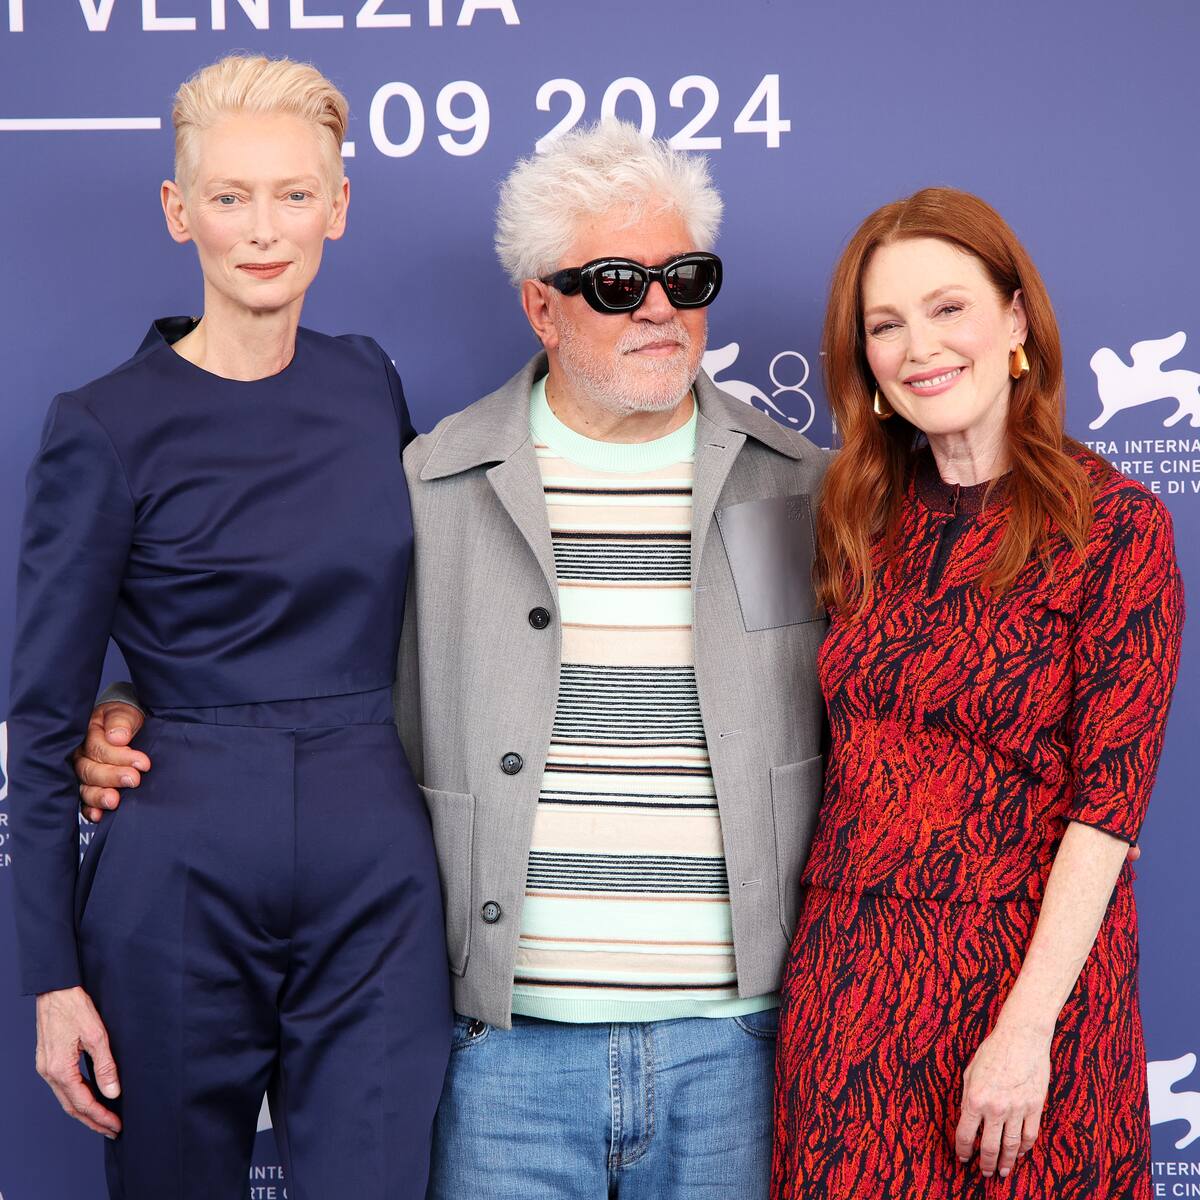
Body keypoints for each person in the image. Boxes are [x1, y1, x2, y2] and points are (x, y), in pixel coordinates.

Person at [76, 121, 830, 1199]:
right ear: (541, 306)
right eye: (617, 283)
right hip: (505, 1056)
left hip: (738, 1053)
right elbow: (304, 645)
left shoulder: (800, 488)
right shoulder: (431, 484)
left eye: (686, 277)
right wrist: (144, 702)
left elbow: (887, 691)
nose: (659, 308)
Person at [8, 54, 450, 1198]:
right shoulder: (103, 424)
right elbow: (43, 716)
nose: (263, 229)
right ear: (179, 210)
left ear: (337, 207)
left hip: (376, 873)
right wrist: (50, 978)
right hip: (176, 875)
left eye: (294, 194)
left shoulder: (368, 383)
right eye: (229, 196)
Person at [771, 188, 1184, 1200]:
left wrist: (1026, 1031)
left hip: (1030, 995)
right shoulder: (855, 520)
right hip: (849, 988)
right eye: (885, 325)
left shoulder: (1116, 526)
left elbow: (1108, 807)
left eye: (947, 308)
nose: (919, 347)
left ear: (1015, 321)